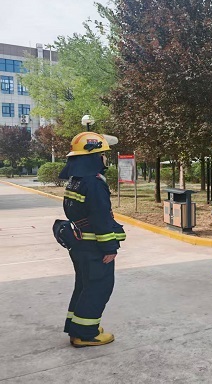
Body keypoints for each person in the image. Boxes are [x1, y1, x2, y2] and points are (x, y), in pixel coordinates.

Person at [58, 132, 125, 347]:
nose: (105, 158)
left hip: (79, 245)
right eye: (103, 154)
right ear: (94, 156)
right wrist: (110, 247)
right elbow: (100, 218)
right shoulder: (94, 183)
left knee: (84, 286)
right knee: (98, 287)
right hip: (94, 247)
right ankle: (85, 334)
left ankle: (77, 327)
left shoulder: (75, 181)